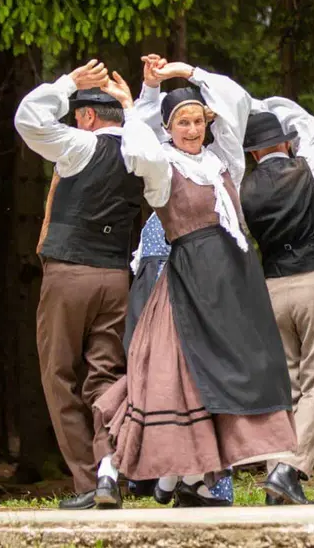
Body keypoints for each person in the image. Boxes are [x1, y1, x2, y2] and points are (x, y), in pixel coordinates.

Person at [91, 60, 300, 509]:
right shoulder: (163, 168)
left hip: (234, 285)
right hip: (188, 285)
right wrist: (136, 104)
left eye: (198, 121)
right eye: (182, 123)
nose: (192, 130)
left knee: (240, 374)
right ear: (168, 128)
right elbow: (140, 150)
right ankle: (116, 469)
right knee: (169, 379)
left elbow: (237, 104)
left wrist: (190, 72)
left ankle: (190, 479)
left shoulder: (223, 162)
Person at [14, 60, 142, 510]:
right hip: (116, 278)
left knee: (59, 375)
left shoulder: (80, 145)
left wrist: (69, 82)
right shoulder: (141, 151)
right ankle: (108, 471)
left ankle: (88, 483)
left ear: (87, 117)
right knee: (106, 376)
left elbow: (28, 118)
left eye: (76, 115)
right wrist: (135, 106)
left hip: (70, 274)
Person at [239, 100, 314, 505]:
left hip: (272, 288)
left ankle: (277, 486)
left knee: (286, 387)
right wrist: (263, 104)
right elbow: (312, 125)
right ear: (287, 143)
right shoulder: (310, 168)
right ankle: (288, 468)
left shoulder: (242, 188)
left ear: (253, 153)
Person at [124, 213, 234, 507]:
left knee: (172, 393)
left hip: (154, 314)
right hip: (184, 306)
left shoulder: (153, 222)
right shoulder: (203, 209)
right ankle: (194, 481)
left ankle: (174, 477)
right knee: (200, 390)